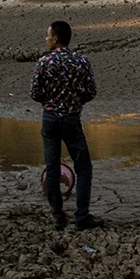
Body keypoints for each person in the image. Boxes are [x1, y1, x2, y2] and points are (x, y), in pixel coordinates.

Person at [31, 18, 98, 230]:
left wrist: (50, 102)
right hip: (71, 118)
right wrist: (74, 102)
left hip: (50, 119)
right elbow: (90, 91)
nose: (46, 38)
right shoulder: (81, 61)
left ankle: (58, 216)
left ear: (56, 38)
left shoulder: (44, 62)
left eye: (48, 35)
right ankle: (82, 216)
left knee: (52, 167)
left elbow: (35, 93)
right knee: (83, 167)